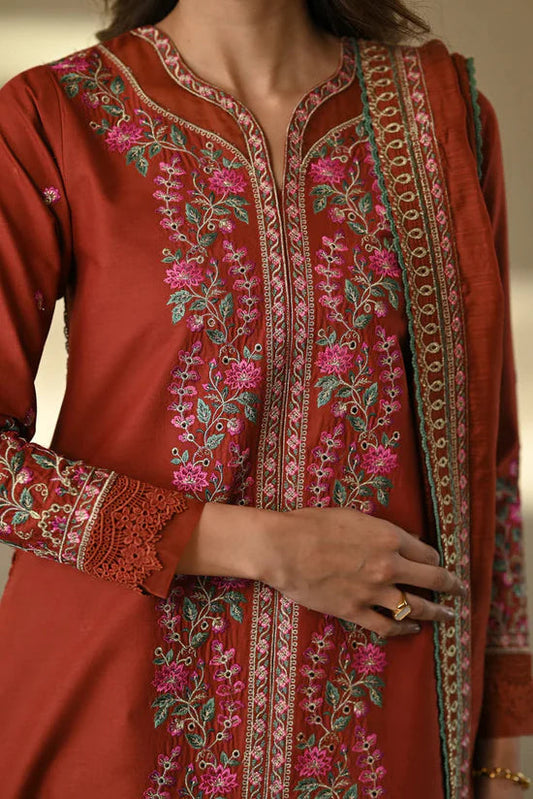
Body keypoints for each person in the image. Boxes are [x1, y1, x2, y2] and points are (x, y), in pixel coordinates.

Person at [0, 0, 531, 796]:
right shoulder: (55, 117)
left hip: (377, 723)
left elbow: (485, 464)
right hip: (112, 716)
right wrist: (261, 546)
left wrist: (503, 753)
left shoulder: (441, 120)